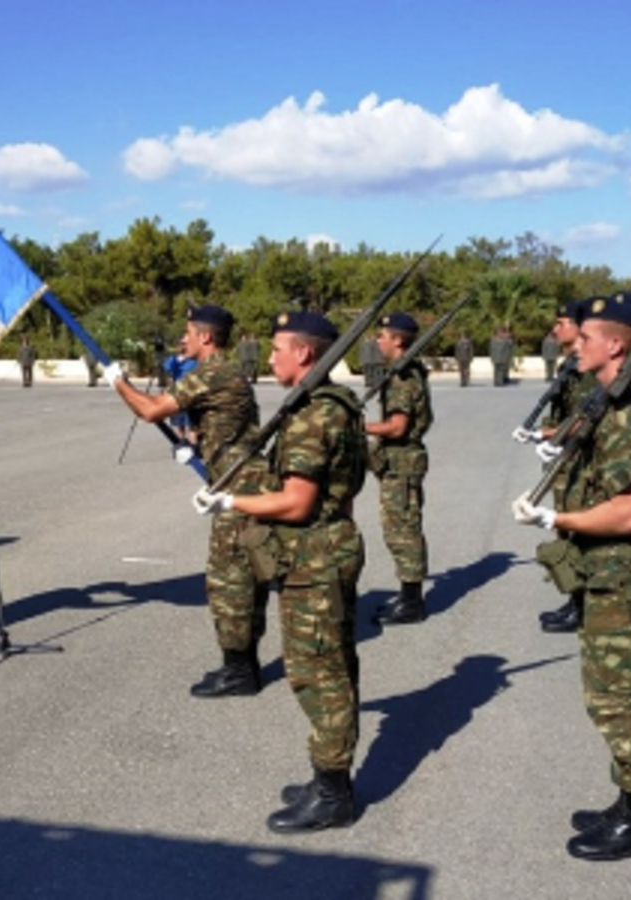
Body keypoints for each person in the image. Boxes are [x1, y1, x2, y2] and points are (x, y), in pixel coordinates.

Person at [513, 291, 631, 860]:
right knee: (615, 693)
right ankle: (630, 801)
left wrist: (556, 516)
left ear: (615, 344)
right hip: (608, 569)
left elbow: (630, 511)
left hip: (623, 571)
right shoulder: (611, 398)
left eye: (585, 338)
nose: (575, 343)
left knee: (621, 697)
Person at [195, 310, 367, 834]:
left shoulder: (316, 415)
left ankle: (334, 791)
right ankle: (329, 778)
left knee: (321, 676)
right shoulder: (324, 404)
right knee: (327, 667)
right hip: (321, 552)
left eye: (277, 349)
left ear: (306, 354)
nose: (268, 358)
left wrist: (231, 498)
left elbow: (295, 503)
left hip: (315, 558)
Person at [106, 305, 270, 697]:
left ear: (206, 337)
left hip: (238, 486)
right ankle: (243, 666)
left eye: (189, 333)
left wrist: (119, 382)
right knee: (244, 579)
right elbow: (219, 426)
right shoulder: (224, 373)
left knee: (228, 581)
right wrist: (190, 445)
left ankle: (239, 672)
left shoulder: (212, 373)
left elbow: (150, 410)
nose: (184, 339)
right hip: (235, 479)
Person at [515, 299, 595, 635]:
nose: (554, 328)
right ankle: (575, 600)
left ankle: (583, 605)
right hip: (566, 458)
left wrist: (543, 434)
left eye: (562, 322)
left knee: (578, 531)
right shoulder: (571, 362)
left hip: (580, 460)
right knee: (567, 532)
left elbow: (584, 418)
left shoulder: (589, 367)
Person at [365, 313, 433, 626]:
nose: (378, 341)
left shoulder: (402, 378)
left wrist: (360, 425)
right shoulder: (405, 371)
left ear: (398, 340)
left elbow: (397, 426)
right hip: (401, 461)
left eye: (383, 335)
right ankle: (409, 596)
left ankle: (412, 602)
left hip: (402, 461)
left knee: (402, 530)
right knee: (402, 527)